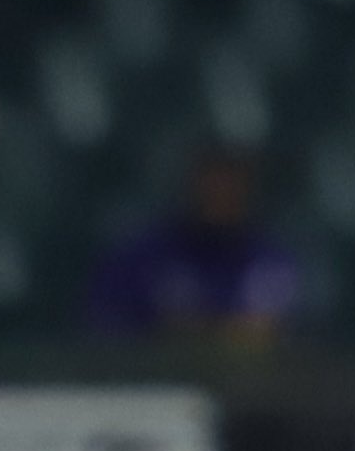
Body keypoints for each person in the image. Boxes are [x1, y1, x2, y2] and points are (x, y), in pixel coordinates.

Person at [85, 146, 301, 349]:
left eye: (230, 184)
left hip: (250, 376)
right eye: (212, 183)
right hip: (159, 373)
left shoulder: (270, 263)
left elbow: (295, 334)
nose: (221, 193)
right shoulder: (143, 257)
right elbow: (103, 325)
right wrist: (161, 329)